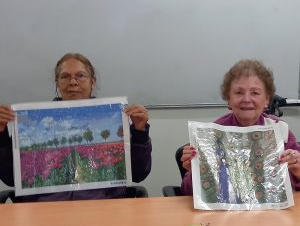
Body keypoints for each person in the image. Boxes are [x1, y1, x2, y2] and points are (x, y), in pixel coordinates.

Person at [0, 53, 152, 202]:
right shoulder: (33, 122)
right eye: (65, 76)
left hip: (103, 208)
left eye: (80, 75)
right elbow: (10, 178)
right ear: (57, 83)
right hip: (45, 210)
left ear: (93, 81)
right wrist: (1, 134)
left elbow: (139, 174)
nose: (73, 82)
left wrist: (140, 132)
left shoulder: (113, 119)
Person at [181, 59, 300, 195]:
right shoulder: (212, 135)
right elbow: (187, 192)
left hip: (271, 212)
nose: (246, 99)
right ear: (229, 99)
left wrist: (297, 170)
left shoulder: (280, 131)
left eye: (255, 93)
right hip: (227, 212)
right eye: (239, 93)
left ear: (266, 100)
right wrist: (195, 171)